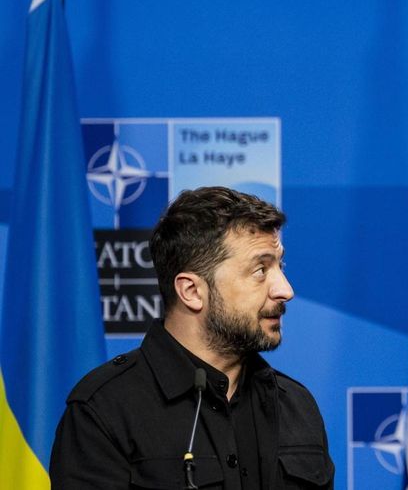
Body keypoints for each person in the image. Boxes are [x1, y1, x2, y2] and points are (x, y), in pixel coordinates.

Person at [51, 186, 334, 489]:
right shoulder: (103, 411)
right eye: (260, 270)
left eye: (280, 265)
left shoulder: (297, 405)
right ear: (191, 291)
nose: (285, 290)